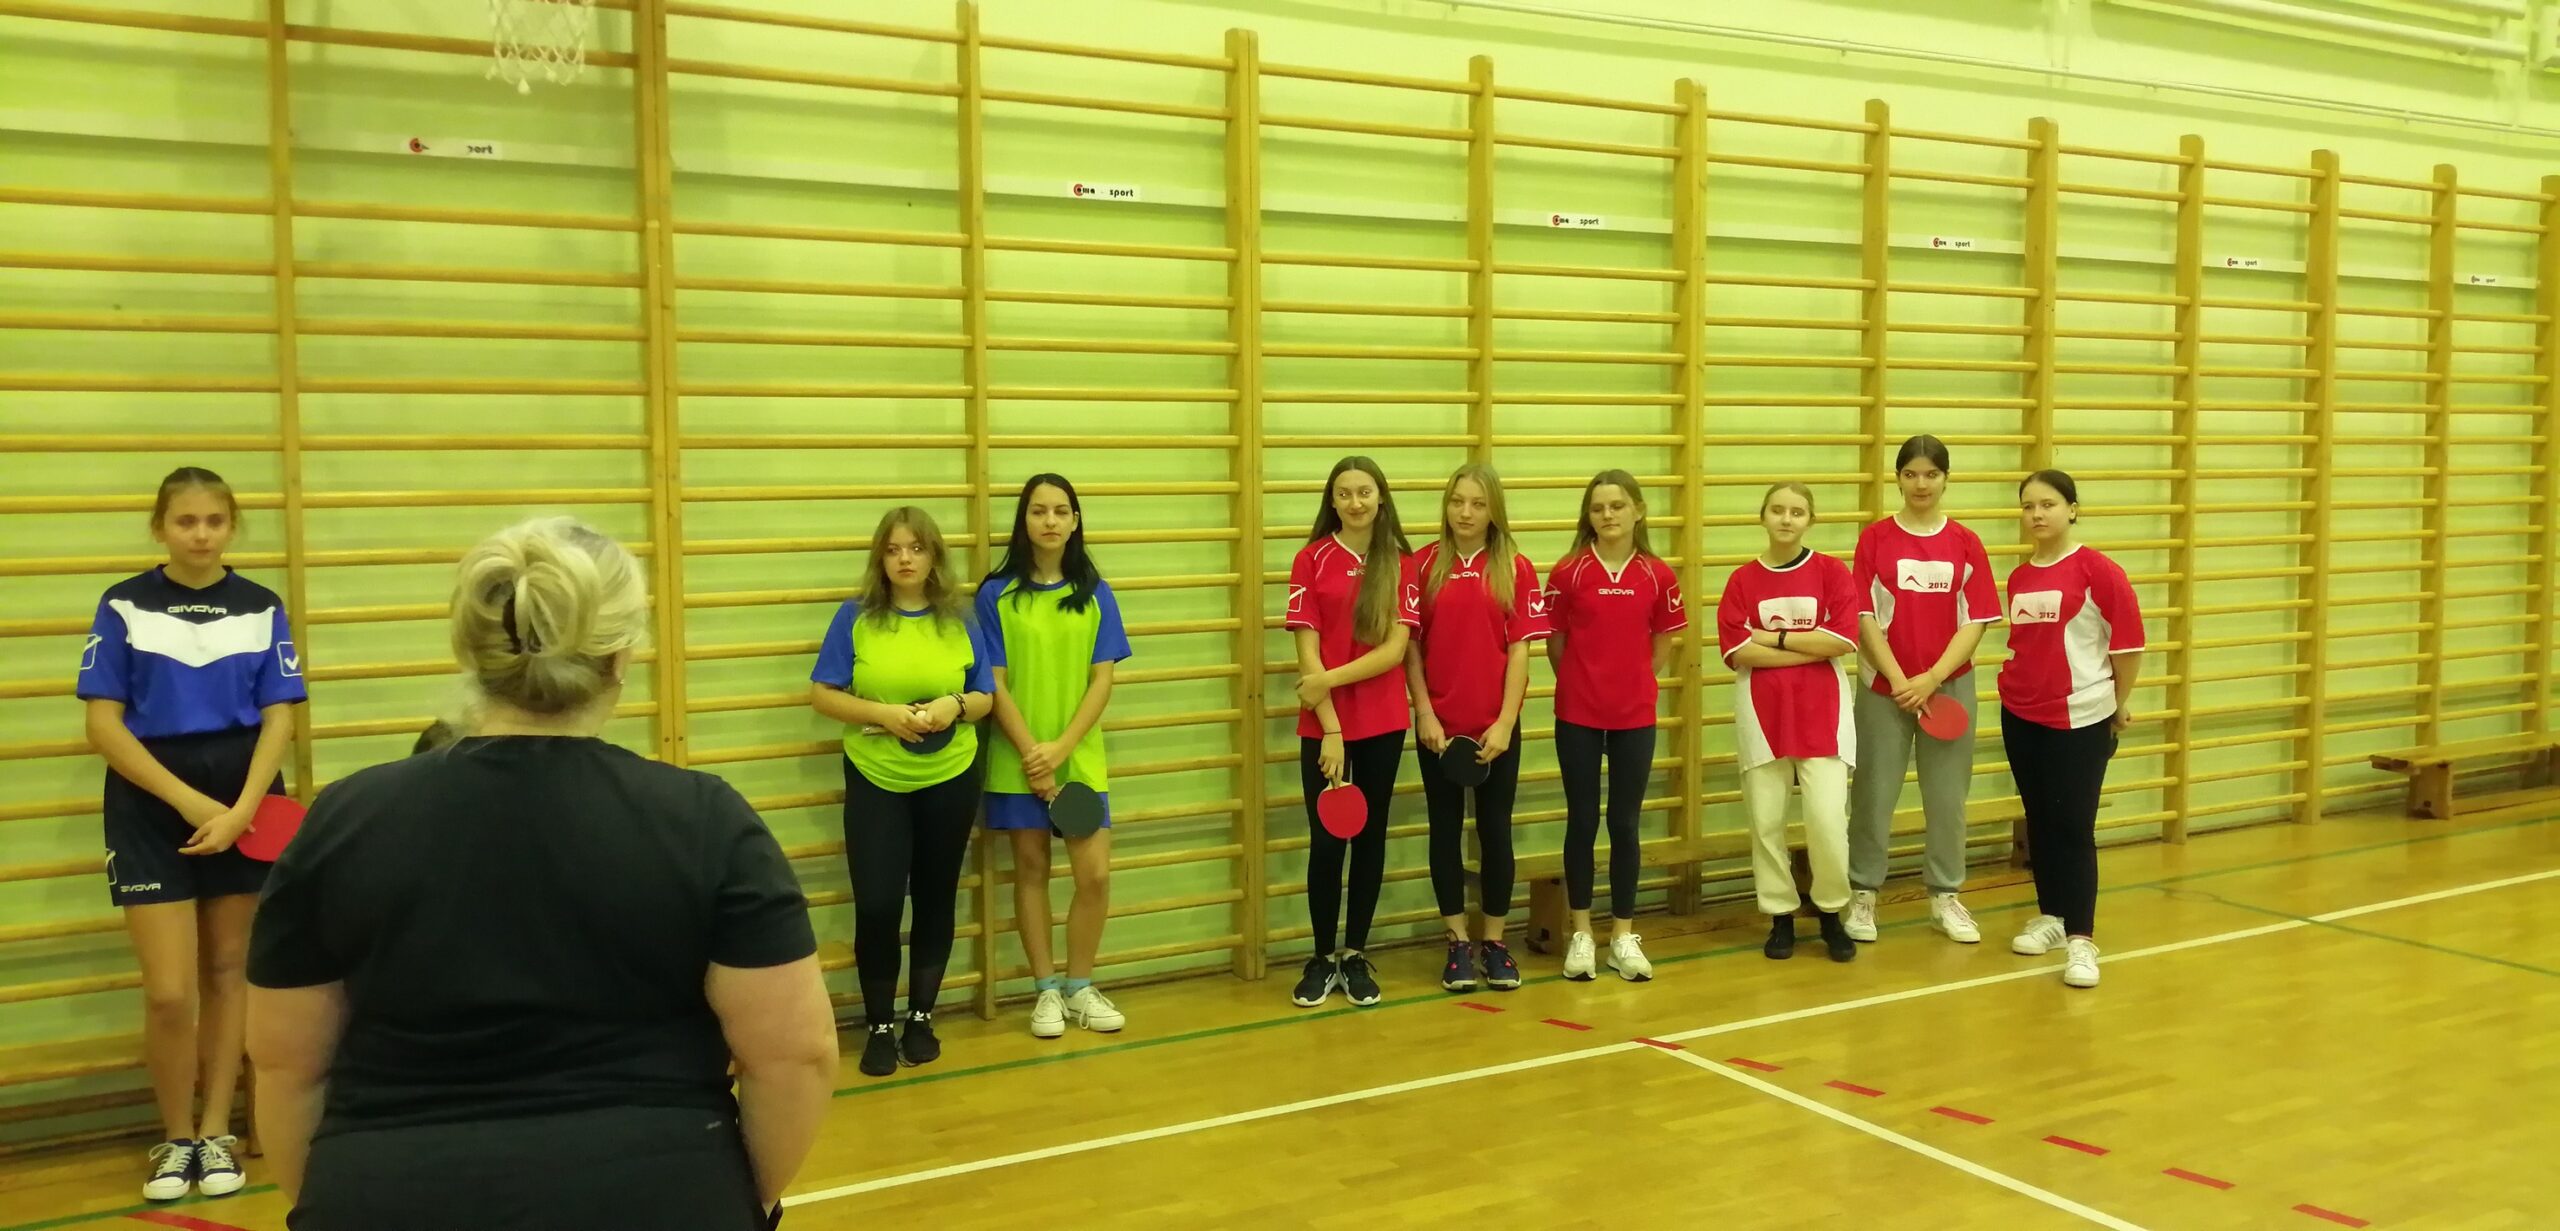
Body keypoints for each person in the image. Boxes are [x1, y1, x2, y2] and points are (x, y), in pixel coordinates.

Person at [245, 517, 836, 1230]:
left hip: (388, 1190)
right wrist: (738, 1205)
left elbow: (286, 1067)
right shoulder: (706, 820)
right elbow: (795, 1058)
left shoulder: (343, 820)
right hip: (658, 1190)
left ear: (470, 649)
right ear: (620, 655)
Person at [78, 466, 304, 1202]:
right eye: (186, 521)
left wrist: (240, 810)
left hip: (243, 800)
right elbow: (103, 724)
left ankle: (215, 1133)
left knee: (229, 971)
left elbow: (279, 716)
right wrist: (188, 801)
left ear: (231, 526)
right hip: (151, 803)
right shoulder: (123, 604)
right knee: (172, 992)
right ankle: (174, 1138)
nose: (201, 534)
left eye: (214, 520)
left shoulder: (262, 605)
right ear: (160, 528)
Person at [809, 506, 996, 1075]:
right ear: (880, 559)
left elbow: (985, 696)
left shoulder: (961, 619)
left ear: (934, 555)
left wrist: (953, 705)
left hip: (951, 778)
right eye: (893, 550)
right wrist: (884, 714)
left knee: (936, 897)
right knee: (879, 904)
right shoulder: (855, 618)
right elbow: (823, 694)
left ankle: (920, 1018)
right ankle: (879, 1025)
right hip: (876, 779)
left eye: (916, 548)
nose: (905, 559)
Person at [978, 474, 1134, 1037]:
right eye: (1038, 511)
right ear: (1024, 520)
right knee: (1031, 870)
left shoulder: (1096, 593)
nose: (1049, 521)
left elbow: (1102, 679)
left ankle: (1080, 987)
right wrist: (1032, 754)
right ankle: (1045, 990)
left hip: (1079, 760)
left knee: (1094, 876)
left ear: (1074, 521)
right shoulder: (995, 594)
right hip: (1016, 760)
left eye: (1060, 511)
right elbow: (994, 682)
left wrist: (1061, 749)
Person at [1846, 435, 2001, 946]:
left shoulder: (1965, 542)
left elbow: (1976, 620)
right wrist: (1897, 679)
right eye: (1911, 473)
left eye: (1931, 474)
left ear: (1945, 479)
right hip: (1883, 689)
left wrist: (1932, 678)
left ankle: (1945, 896)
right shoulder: (1875, 540)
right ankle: (1863, 894)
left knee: (1948, 797)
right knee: (1873, 794)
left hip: (1948, 686)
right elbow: (1863, 615)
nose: (1921, 483)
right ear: (1898, 478)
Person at [1405, 463, 1547, 993]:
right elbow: (1410, 648)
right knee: (1444, 831)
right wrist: (1424, 712)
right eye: (1457, 501)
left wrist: (1506, 722)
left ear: (1493, 511)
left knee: (1495, 832)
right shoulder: (1422, 565)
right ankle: (1457, 943)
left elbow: (1520, 651)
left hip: (1496, 731)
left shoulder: (1516, 567)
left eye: (1477, 504)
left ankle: (1494, 942)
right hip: (1438, 730)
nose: (1465, 513)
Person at [1999, 470, 2144, 989]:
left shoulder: (2098, 571)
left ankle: (2082, 939)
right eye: (2028, 506)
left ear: (2073, 509)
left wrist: (2116, 704)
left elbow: (2128, 647)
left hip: (2080, 717)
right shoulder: (2019, 577)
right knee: (2039, 820)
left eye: (2049, 504)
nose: (2037, 514)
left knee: (2073, 827)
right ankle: (2052, 918)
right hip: (2020, 713)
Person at [1285, 456, 1418, 1009]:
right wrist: (1332, 728)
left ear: (1381, 498)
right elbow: (1307, 650)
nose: (1356, 502)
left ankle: (1355, 954)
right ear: (1332, 501)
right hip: (1324, 728)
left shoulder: (1403, 563)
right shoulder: (1310, 559)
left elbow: (1394, 650)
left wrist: (1327, 682)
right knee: (1326, 841)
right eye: (1344, 493)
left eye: (1365, 492)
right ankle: (1322, 956)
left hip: (1383, 723)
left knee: (1369, 839)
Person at [1544, 470, 1685, 982]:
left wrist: (1634, 683)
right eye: (1598, 507)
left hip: (1634, 716)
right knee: (1582, 821)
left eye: (1617, 505)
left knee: (1624, 824)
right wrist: (1581, 685)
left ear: (1638, 511)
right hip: (1577, 714)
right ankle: (1581, 933)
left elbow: (1664, 640)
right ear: (1589, 515)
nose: (1607, 515)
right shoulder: (1568, 572)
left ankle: (1623, 936)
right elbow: (1555, 641)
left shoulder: (1657, 575)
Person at [1718, 483, 1861, 963]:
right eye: (1777, 510)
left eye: (1797, 512)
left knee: (1827, 823)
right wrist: (1808, 645)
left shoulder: (1831, 572)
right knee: (1766, 823)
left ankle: (1831, 911)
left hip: (1825, 716)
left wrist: (1774, 638)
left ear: (1810, 521)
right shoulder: (1742, 580)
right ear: (1763, 516)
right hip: (1762, 718)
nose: (1786, 518)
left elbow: (1842, 640)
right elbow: (1739, 651)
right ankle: (1780, 915)